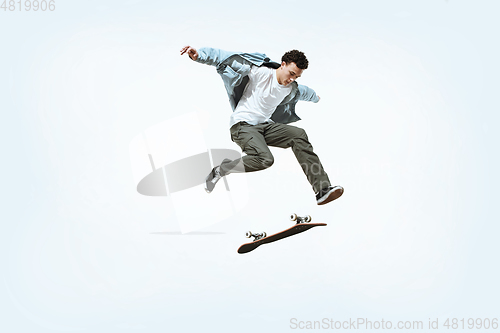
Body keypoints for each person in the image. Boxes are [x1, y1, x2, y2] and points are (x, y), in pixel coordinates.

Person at [180, 45, 343, 205]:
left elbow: (304, 92)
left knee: (298, 135)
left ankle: (322, 189)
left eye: (296, 77)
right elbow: (226, 58)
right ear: (283, 64)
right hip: (242, 126)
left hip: (265, 127)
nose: (291, 79)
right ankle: (221, 170)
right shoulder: (259, 71)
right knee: (265, 159)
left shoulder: (291, 88)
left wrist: (316, 98)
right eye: (291, 74)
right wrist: (199, 56)